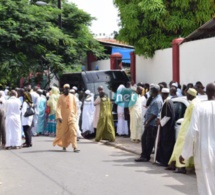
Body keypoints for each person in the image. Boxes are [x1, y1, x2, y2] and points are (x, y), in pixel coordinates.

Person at [180, 83, 215, 195]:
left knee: (205, 183)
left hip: (204, 151)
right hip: (205, 149)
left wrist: (185, 153)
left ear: (206, 93)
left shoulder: (199, 107)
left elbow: (192, 132)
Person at [168, 88, 199, 173]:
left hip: (187, 128)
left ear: (191, 95)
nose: (186, 96)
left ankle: (181, 167)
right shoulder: (195, 102)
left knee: (181, 148)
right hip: (186, 127)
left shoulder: (193, 104)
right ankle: (176, 164)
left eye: (188, 94)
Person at [135, 85, 163, 162]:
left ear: (155, 91)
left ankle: (145, 156)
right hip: (151, 124)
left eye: (151, 90)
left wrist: (147, 122)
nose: (150, 92)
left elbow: (154, 114)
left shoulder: (157, 101)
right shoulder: (155, 98)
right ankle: (146, 155)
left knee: (147, 141)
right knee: (148, 141)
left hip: (152, 124)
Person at [53, 84, 79, 152]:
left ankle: (75, 147)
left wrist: (75, 116)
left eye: (68, 88)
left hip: (71, 116)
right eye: (66, 88)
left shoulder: (72, 97)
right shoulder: (60, 97)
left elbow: (75, 107)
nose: (67, 90)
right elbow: (58, 107)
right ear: (63, 89)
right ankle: (64, 146)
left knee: (73, 131)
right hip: (63, 117)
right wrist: (59, 116)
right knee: (64, 133)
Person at [156, 88, 175, 166]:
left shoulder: (167, 102)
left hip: (167, 128)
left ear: (163, 94)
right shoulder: (168, 101)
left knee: (165, 144)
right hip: (167, 127)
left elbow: (167, 116)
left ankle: (165, 161)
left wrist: (160, 122)